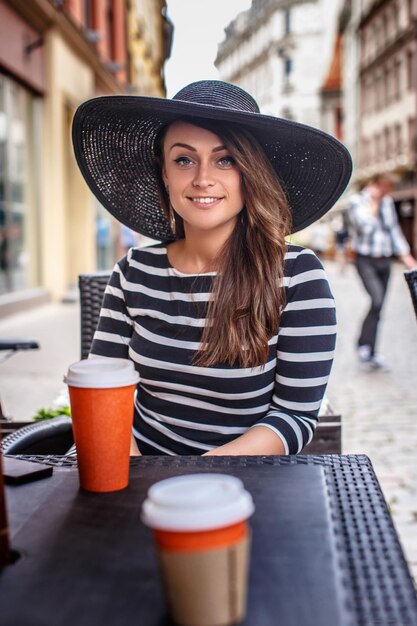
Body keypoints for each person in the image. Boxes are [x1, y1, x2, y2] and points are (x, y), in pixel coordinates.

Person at [72, 80, 351, 456]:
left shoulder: (297, 274)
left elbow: (294, 416)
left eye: (226, 159)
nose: (203, 178)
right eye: (184, 159)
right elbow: (103, 392)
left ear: (249, 173)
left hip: (244, 487)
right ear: (165, 174)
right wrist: (134, 476)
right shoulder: (133, 271)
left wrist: (193, 479)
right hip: (137, 474)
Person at [348, 174, 417, 370]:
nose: (388, 192)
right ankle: (363, 343)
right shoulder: (357, 201)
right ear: (377, 184)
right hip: (365, 260)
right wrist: (374, 202)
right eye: (386, 187)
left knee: (380, 307)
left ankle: (370, 350)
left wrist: (407, 257)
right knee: (376, 300)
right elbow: (364, 228)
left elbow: (393, 230)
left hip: (384, 261)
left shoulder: (387, 203)